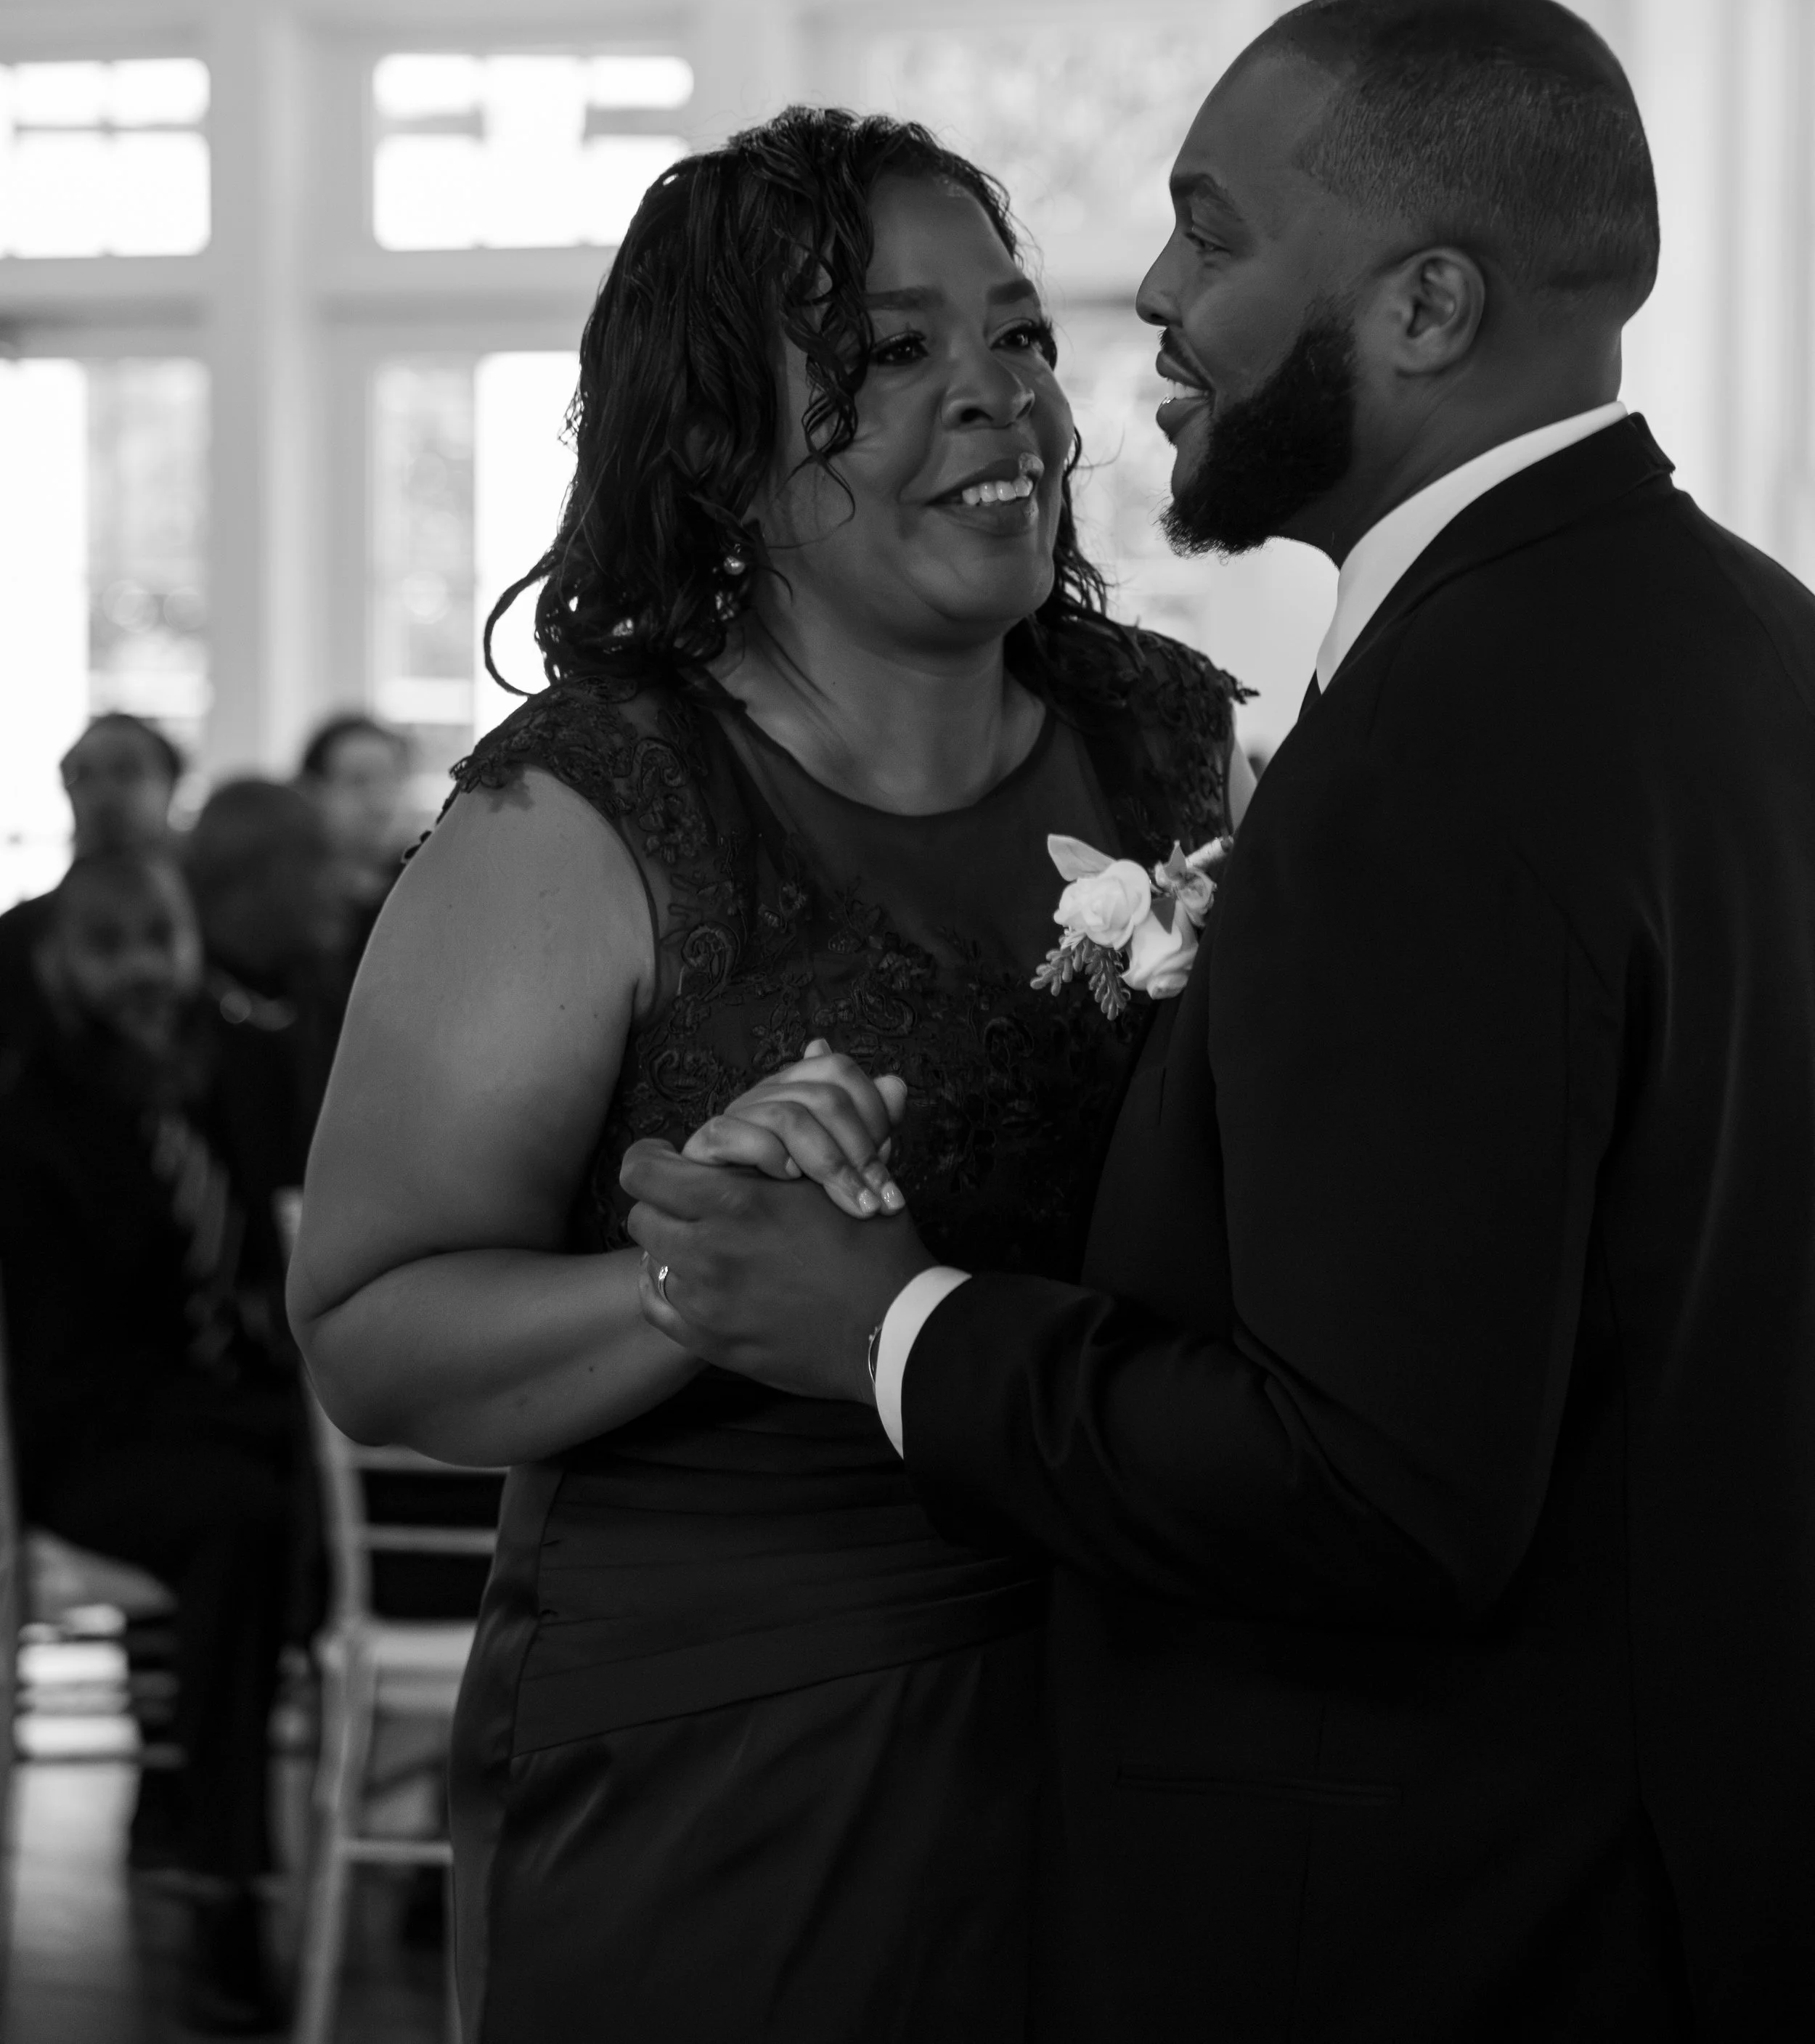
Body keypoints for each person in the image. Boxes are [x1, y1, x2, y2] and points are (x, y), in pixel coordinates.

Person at [622, 0, 1815, 2039]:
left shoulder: (1446, 740)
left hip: (1436, 1902)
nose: (1152, 291)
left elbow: (1370, 1479)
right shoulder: (1743, 636)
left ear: (1424, 305)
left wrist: (886, 1321)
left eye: (1212, 229)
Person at [286, 107, 1247, 2042]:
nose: (998, 401)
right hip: (740, 1740)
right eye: (893, 354)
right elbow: (372, 1335)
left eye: (1016, 338)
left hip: (1147, 1675)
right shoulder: (586, 816)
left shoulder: (1170, 747)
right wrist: (691, 1280)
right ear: (724, 441)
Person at [0, 843, 303, 2033]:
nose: (144, 970)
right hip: (96, 1444)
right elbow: (76, 1369)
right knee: (254, 1520)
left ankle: (411, 1796)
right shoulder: (31, 1124)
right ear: (63, 964)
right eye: (110, 944)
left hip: (241, 1416)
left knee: (385, 1484)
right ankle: (231, 1884)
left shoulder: (242, 1074)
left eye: (159, 939)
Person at [0, 711, 184, 1057]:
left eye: (126, 771)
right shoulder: (18, 935)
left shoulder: (212, 916)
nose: (104, 794)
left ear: (171, 784)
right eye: (82, 776)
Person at [185, 777, 350, 1160]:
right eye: (318, 857)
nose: (339, 881)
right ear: (249, 875)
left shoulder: (324, 995)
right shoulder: (175, 1024)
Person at [297, 712, 412, 965]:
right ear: (312, 791)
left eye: (390, 779)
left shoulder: (420, 883)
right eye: (358, 782)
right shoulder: (293, 901)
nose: (380, 803)